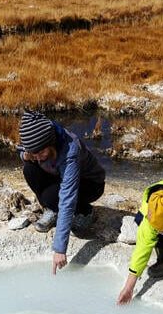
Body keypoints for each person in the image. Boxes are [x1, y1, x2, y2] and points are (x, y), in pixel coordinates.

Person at [17, 110, 106, 275]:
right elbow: (21, 150)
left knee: (52, 197)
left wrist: (59, 248)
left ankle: (86, 212)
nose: (38, 157)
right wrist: (26, 155)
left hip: (91, 184)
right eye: (34, 153)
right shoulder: (35, 133)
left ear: (50, 143)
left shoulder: (70, 150)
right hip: (59, 175)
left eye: (41, 152)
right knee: (30, 169)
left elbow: (67, 197)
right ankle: (52, 210)